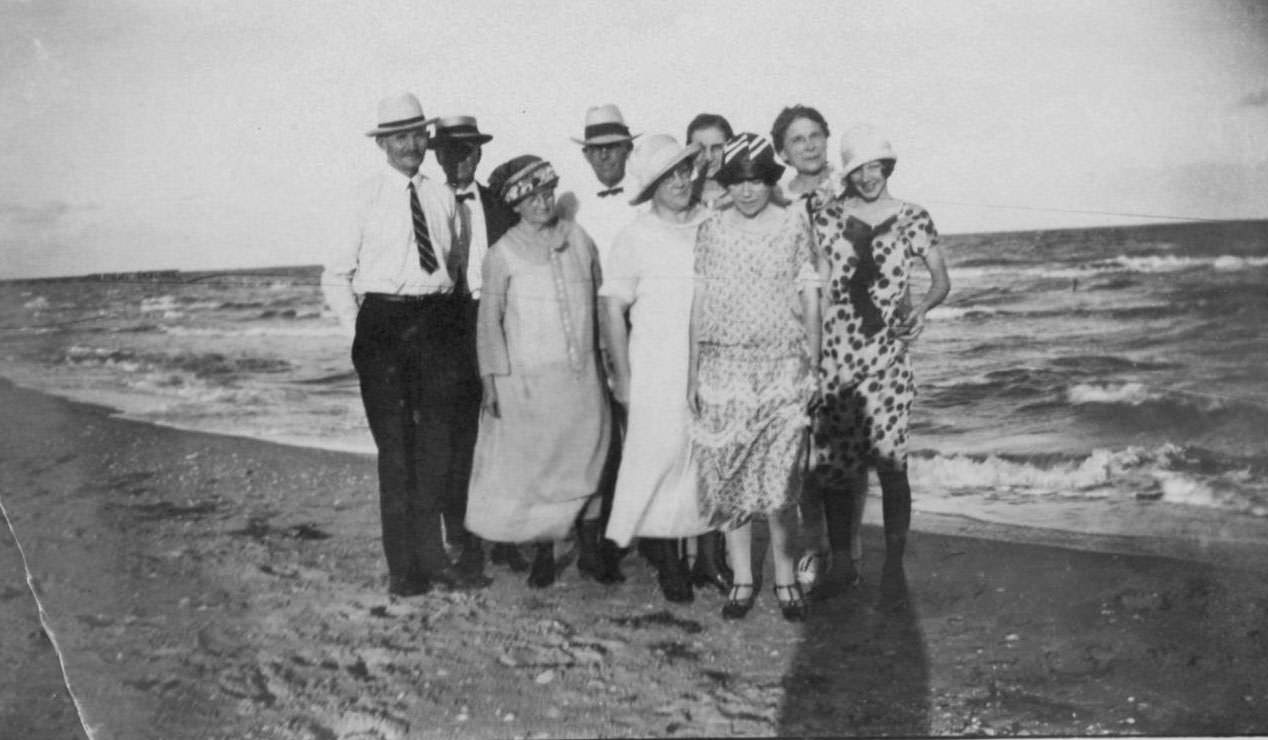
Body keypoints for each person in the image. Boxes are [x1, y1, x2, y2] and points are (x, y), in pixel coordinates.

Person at [322, 92, 491, 597]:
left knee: (436, 449)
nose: (410, 145)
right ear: (383, 145)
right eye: (399, 137)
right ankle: (404, 568)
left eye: (418, 135)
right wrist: (363, 334)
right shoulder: (363, 197)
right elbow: (336, 276)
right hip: (384, 327)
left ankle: (435, 557)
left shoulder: (442, 197)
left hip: (436, 323)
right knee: (396, 452)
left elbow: (454, 265)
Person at [808, 124, 950, 592]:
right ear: (847, 172)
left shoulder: (914, 217)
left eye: (875, 166)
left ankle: (892, 564)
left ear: (887, 166)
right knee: (834, 466)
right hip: (837, 356)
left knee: (891, 465)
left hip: (888, 357)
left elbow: (940, 281)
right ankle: (844, 564)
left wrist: (922, 310)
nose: (868, 176)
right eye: (858, 168)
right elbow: (822, 285)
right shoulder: (827, 217)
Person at [688, 133, 821, 622]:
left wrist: (815, 363)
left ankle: (786, 578)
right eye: (738, 181)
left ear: (771, 180)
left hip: (784, 368)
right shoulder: (710, 230)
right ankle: (743, 577)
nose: (747, 192)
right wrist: (691, 374)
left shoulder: (793, 225)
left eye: (757, 181)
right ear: (727, 183)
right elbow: (698, 306)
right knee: (731, 477)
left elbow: (810, 297)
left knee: (782, 479)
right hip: (723, 368)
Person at [465, 156, 613, 588]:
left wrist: (605, 359)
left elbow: (601, 303)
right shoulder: (503, 253)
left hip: (582, 375)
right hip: (529, 385)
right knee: (542, 468)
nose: (542, 202)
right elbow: (488, 321)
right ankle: (544, 554)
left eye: (547, 192)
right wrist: (491, 381)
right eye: (531, 197)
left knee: (590, 457)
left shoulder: (580, 239)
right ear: (515, 204)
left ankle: (590, 551)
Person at [600, 135, 717, 604]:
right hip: (655, 362)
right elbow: (611, 308)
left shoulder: (711, 225)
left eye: (685, 171)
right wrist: (623, 377)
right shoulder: (635, 236)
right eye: (668, 176)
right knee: (659, 457)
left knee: (700, 459)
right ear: (651, 186)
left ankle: (703, 559)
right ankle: (666, 561)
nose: (680, 182)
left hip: (708, 358)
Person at [770, 104, 863, 592]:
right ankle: (813, 545)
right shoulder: (776, 199)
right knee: (802, 451)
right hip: (793, 331)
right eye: (796, 140)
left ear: (826, 139)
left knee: (841, 449)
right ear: (782, 152)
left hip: (846, 332)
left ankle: (845, 553)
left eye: (814, 136)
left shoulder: (851, 189)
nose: (807, 146)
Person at [430, 115, 524, 572]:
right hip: (444, 330)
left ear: (480, 153)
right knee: (454, 436)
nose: (460, 158)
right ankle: (461, 538)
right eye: (450, 150)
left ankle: (503, 535)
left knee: (503, 432)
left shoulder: (501, 206)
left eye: (467, 150)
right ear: (437, 155)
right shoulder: (425, 203)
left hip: (496, 322)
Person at [685, 113, 734, 209]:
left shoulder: (746, 195)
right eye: (701, 149)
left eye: (716, 148)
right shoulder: (681, 196)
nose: (708, 157)